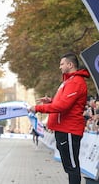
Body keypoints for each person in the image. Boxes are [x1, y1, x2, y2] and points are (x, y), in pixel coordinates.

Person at [29, 52, 90, 184]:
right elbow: (62, 103)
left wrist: (38, 108)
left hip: (69, 130)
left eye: (62, 64)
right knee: (69, 166)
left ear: (70, 64)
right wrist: (51, 101)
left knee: (72, 167)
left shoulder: (76, 82)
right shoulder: (68, 81)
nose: (60, 67)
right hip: (63, 129)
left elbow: (62, 106)